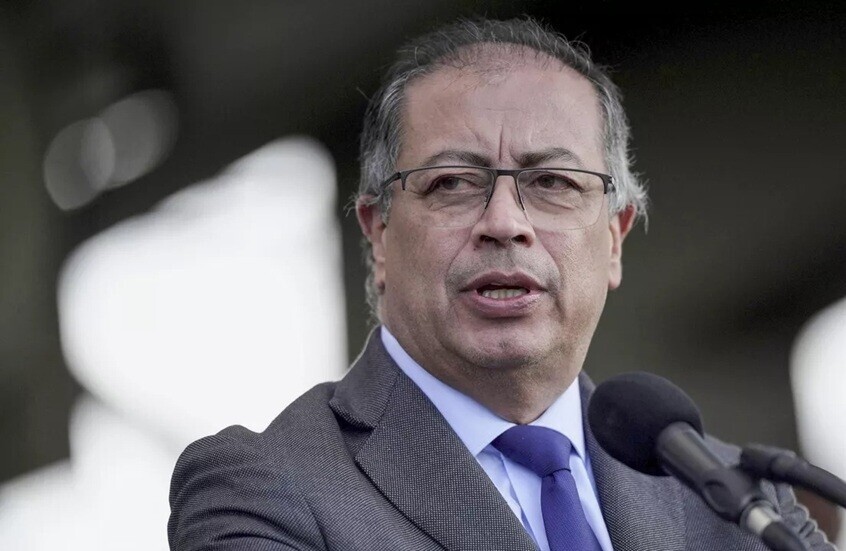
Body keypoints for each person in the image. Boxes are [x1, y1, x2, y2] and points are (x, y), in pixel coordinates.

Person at [167, 16, 836, 551]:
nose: (505, 224)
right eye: (453, 183)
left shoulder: (739, 500)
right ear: (378, 233)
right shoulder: (262, 489)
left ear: (614, 238)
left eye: (553, 182)